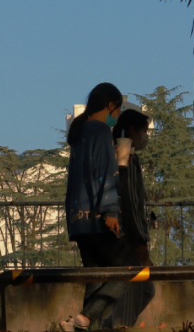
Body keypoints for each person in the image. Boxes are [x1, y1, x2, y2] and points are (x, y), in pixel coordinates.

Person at [60, 82, 131, 331]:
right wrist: (111, 211)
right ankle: (84, 319)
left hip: (79, 220)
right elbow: (104, 175)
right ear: (110, 105)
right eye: (118, 109)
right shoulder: (100, 131)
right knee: (126, 272)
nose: (118, 115)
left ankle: (82, 326)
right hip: (98, 217)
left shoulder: (79, 134)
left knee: (94, 278)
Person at [107, 108, 156, 327]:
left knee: (145, 290)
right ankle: (114, 327)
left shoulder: (128, 154)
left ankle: (108, 327)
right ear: (133, 130)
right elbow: (126, 199)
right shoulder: (123, 151)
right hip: (127, 238)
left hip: (130, 235)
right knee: (133, 291)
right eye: (144, 131)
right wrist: (138, 239)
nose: (145, 137)